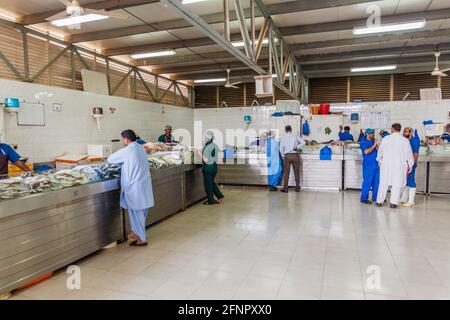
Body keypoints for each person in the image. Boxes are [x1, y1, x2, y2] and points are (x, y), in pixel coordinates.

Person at [107, 129, 154, 246]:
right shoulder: (141, 148)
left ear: (126, 139)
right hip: (143, 186)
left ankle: (141, 239)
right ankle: (135, 232)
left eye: (123, 139)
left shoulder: (127, 150)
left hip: (134, 188)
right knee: (141, 213)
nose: (123, 141)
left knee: (136, 214)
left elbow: (110, 159)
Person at [376, 123, 414, 209]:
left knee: (383, 183)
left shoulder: (386, 139)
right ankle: (393, 203)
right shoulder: (405, 140)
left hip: (386, 165)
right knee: (396, 184)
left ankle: (379, 201)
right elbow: (409, 154)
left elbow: (380, 151)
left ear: (392, 129)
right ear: (400, 129)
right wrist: (410, 164)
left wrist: (379, 160)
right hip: (399, 166)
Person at [198, 130, 224, 205]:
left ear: (206, 138)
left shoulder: (207, 147)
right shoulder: (214, 145)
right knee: (212, 183)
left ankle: (211, 200)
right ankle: (219, 195)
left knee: (208, 185)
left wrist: (200, 153)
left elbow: (206, 160)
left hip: (208, 169)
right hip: (214, 168)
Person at [279, 125, 306, 193]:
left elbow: (281, 149)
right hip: (295, 155)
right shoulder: (295, 135)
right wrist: (297, 147)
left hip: (287, 156)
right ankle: (297, 188)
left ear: (285, 130)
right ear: (291, 130)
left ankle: (285, 189)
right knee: (297, 172)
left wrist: (283, 156)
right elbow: (304, 142)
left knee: (286, 173)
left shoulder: (283, 137)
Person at [400, 127, 420, 207]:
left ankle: (411, 201)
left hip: (411, 164)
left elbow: (415, 154)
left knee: (411, 181)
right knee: (406, 181)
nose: (403, 133)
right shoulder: (406, 140)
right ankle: (404, 198)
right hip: (406, 164)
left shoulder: (414, 140)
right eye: (403, 132)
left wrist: (412, 165)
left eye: (405, 132)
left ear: (410, 132)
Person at [360, 128, 380, 205]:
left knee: (376, 182)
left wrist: (376, 144)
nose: (373, 135)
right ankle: (364, 198)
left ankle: (375, 197)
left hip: (376, 165)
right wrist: (374, 144)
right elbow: (366, 152)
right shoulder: (364, 142)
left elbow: (379, 151)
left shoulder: (373, 142)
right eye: (372, 133)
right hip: (368, 166)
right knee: (367, 182)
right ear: (367, 134)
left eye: (374, 133)